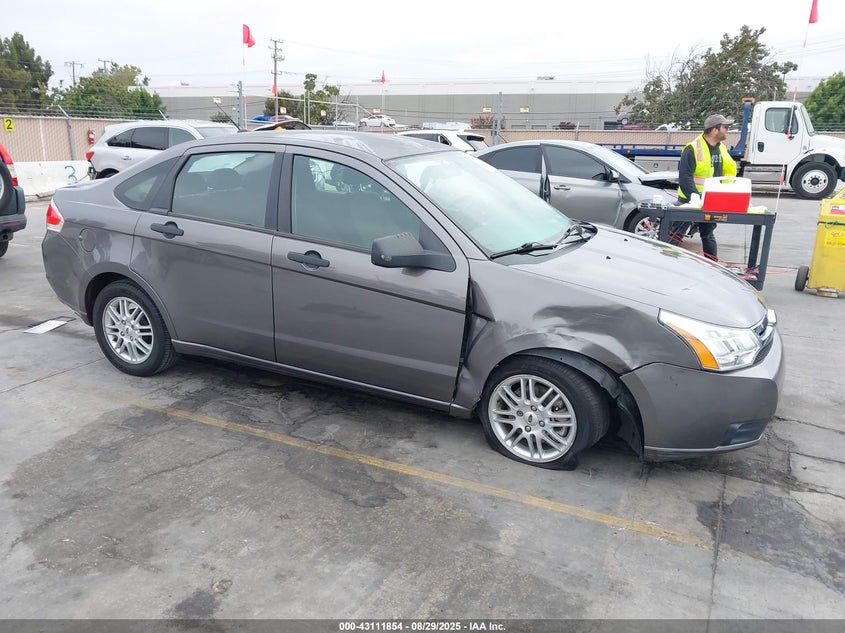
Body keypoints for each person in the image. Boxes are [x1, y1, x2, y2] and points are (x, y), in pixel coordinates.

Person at [673, 114, 738, 260]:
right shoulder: (693, 149)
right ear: (714, 130)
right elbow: (685, 177)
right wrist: (694, 198)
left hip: (711, 200)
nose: (728, 130)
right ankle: (665, 263)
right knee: (675, 234)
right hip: (690, 201)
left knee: (708, 234)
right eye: (725, 127)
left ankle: (712, 266)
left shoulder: (721, 148)